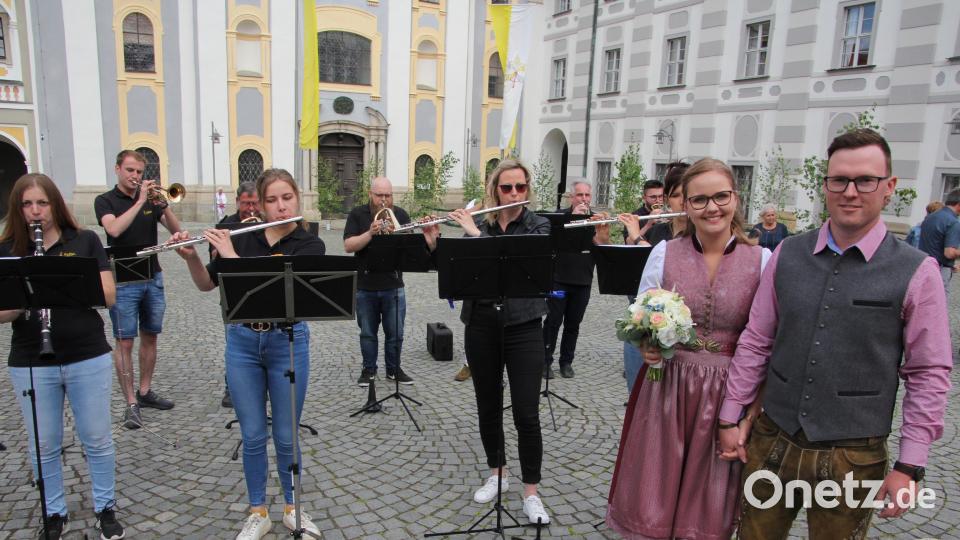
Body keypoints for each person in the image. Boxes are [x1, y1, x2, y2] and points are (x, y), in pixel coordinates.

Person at [719, 129, 952, 538]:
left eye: (865, 180)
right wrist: (730, 414)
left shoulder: (917, 270)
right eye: (838, 180)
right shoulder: (788, 254)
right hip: (773, 437)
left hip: (853, 452)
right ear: (825, 184)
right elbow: (757, 339)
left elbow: (929, 371)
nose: (850, 191)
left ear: (888, 187)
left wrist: (910, 465)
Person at [607, 158, 770, 539]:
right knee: (655, 490)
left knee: (709, 500)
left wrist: (747, 414)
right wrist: (648, 344)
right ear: (686, 206)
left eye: (720, 196)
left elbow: (765, 341)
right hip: (668, 386)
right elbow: (643, 315)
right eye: (699, 200)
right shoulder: (665, 253)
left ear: (736, 198)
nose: (712, 208)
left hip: (728, 393)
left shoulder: (762, 260)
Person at [170, 169, 325, 540]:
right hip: (242, 343)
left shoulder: (308, 245)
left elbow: (269, 292)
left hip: (287, 341)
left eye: (286, 198)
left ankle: (293, 508)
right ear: (261, 202)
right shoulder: (246, 237)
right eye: (271, 200)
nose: (279, 206)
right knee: (253, 435)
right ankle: (258, 511)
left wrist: (231, 256)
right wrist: (191, 256)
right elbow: (208, 284)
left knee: (287, 436)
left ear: (297, 200)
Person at [424, 159, 552, 525]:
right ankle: (498, 473)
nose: (513, 194)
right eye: (506, 188)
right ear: (495, 190)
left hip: (524, 324)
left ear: (527, 190)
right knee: (488, 406)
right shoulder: (478, 224)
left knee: (527, 413)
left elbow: (515, 263)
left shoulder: (538, 224)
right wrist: (435, 245)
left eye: (520, 188)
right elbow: (457, 276)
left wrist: (476, 236)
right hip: (481, 323)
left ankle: (531, 492)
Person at [0, 174, 126, 540]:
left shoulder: (83, 241)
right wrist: (22, 299)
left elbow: (109, 293)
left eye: (42, 203)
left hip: (86, 353)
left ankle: (105, 507)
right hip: (30, 359)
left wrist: (65, 287)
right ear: (18, 209)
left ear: (55, 204)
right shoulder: (9, 249)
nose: (36, 212)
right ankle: (54, 512)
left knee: (97, 437)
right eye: (27, 205)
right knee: (44, 442)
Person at [94, 149, 182, 429]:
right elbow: (115, 230)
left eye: (139, 172)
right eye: (130, 170)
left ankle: (145, 391)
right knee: (124, 341)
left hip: (152, 277)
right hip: (122, 280)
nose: (135, 176)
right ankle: (130, 402)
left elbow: (178, 232)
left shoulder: (152, 200)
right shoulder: (105, 201)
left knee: (150, 336)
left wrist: (163, 204)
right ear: (117, 169)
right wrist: (140, 200)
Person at [344, 177, 416, 387]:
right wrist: (370, 232)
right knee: (367, 333)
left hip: (393, 284)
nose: (384, 200)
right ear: (370, 194)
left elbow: (411, 248)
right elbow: (349, 246)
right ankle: (369, 370)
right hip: (365, 285)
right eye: (379, 195)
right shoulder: (358, 214)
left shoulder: (400, 214)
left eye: (388, 195)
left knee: (396, 333)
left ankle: (394, 370)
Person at [542, 180, 599, 379]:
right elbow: (551, 242)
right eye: (579, 195)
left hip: (583, 280)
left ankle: (566, 362)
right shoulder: (559, 218)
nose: (584, 199)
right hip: (558, 279)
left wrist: (597, 226)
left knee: (573, 324)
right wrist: (574, 219)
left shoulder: (595, 219)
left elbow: (602, 245)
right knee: (553, 321)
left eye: (587, 195)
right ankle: (545, 361)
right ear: (571, 197)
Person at [215, 181, 261, 409]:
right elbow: (215, 262)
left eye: (254, 203)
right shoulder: (227, 224)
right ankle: (230, 387)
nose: (251, 209)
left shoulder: (267, 224)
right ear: (237, 202)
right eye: (246, 204)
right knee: (233, 343)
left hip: (261, 291)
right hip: (233, 294)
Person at [918, 189, 960, 296]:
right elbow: (949, 253)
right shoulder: (953, 222)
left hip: (923, 266)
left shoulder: (930, 217)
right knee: (939, 305)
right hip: (940, 270)